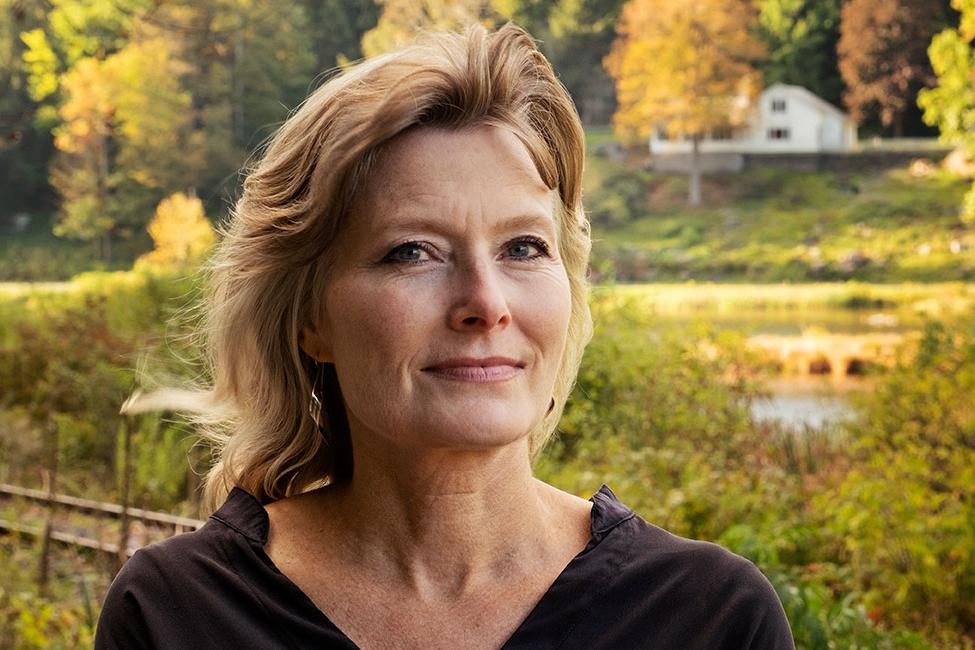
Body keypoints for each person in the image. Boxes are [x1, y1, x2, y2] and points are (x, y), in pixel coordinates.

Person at [95, 23, 795, 649]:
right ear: (309, 319)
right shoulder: (177, 614)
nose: (484, 305)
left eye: (522, 248)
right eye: (412, 252)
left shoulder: (707, 617)